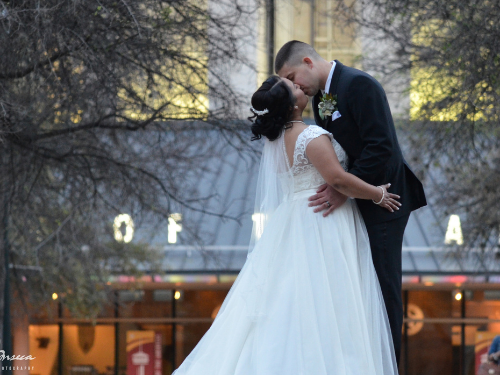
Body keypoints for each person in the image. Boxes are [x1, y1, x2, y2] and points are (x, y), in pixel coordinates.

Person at [172, 75, 400, 375]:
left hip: (294, 218)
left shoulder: (277, 140)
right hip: (321, 220)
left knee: (291, 299)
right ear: (292, 105)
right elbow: (337, 179)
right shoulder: (310, 136)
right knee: (329, 301)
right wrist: (378, 194)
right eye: (293, 87)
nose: (299, 86)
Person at [275, 40, 427, 365]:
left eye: (291, 77)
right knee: (359, 292)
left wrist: (342, 188)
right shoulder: (322, 98)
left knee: (383, 289)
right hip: (356, 204)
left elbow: (381, 147)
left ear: (307, 61)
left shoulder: (359, 84)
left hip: (384, 201)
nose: (293, 87)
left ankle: (388, 366)